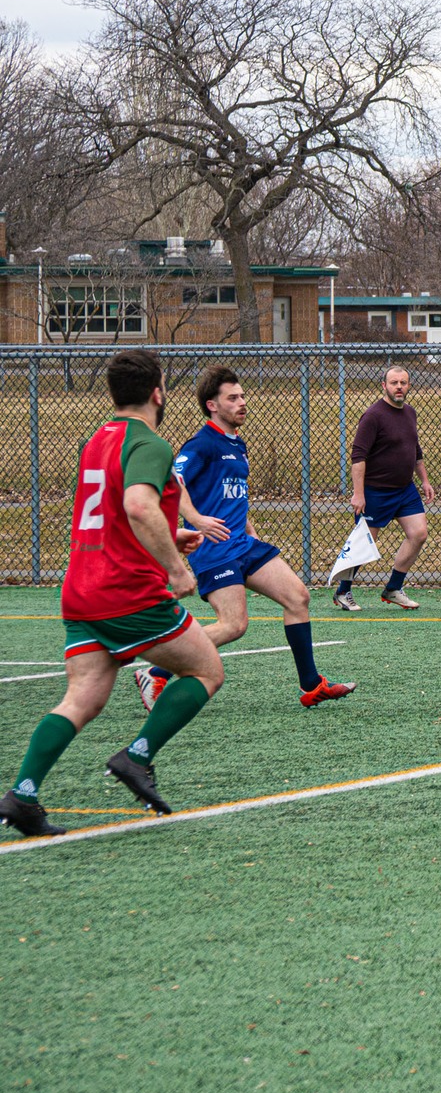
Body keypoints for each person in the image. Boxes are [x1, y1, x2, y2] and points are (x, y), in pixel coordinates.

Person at [0, 350, 226, 836]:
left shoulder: (96, 440)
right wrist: (176, 567)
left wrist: (172, 531)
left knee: (82, 697)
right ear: (157, 392)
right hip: (127, 593)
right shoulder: (151, 443)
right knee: (207, 669)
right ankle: (137, 756)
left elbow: (120, 513)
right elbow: (139, 505)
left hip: (81, 589)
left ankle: (22, 795)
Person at [134, 368, 355, 711]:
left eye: (242, 396)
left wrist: (248, 526)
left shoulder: (237, 443)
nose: (242, 402)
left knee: (298, 597)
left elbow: (230, 493)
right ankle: (157, 670)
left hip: (241, 543)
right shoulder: (202, 443)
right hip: (214, 549)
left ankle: (312, 686)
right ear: (212, 405)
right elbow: (171, 481)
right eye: (232, 398)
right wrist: (195, 519)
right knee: (234, 625)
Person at [334, 365, 433, 611]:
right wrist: (359, 494)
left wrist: (424, 480)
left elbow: (415, 450)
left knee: (419, 534)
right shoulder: (373, 416)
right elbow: (358, 456)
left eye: (403, 382)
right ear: (384, 386)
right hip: (376, 492)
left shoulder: (410, 412)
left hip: (405, 490)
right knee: (364, 544)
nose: (399, 387)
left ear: (409, 385)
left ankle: (393, 589)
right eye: (394, 383)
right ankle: (342, 592)